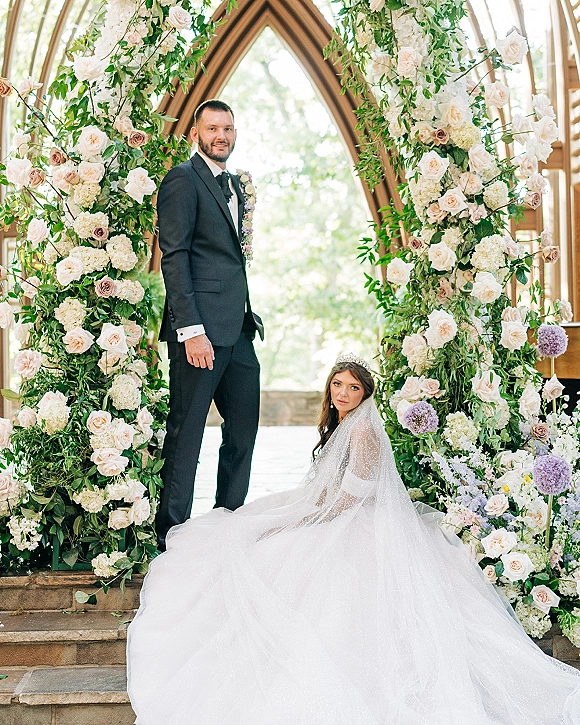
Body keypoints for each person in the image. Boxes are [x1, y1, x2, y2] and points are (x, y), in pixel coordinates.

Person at [128, 354, 580, 724]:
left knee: (283, 556)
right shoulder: (342, 424)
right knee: (248, 532)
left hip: (356, 519)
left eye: (353, 388)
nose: (343, 394)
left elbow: (350, 501)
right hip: (334, 506)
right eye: (338, 385)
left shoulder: (363, 431)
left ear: (365, 396)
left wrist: (302, 521)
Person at [155, 99, 263, 551]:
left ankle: (227, 524)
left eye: (229, 128)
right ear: (196, 133)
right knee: (187, 434)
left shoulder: (235, 184)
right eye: (213, 128)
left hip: (238, 330)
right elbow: (175, 257)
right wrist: (191, 330)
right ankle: (171, 536)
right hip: (199, 333)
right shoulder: (182, 179)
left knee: (243, 430)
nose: (222, 135)